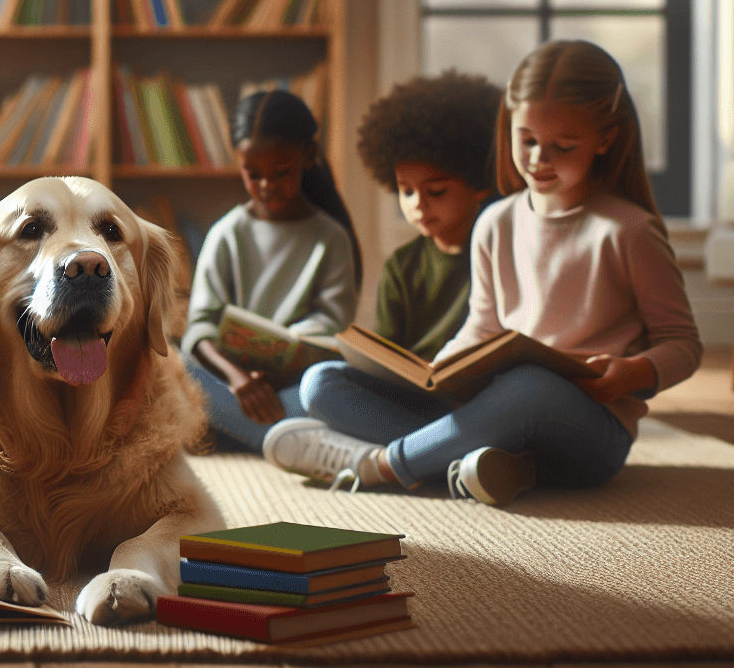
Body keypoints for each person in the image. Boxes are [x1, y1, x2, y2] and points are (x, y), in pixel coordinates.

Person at [266, 41, 701, 506]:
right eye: (527, 140)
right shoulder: (495, 222)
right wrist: (437, 372)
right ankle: (491, 465)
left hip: (591, 431)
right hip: (493, 409)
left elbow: (682, 344)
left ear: (605, 139)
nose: (539, 158)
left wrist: (631, 373)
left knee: (530, 385)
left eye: (563, 146)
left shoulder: (629, 231)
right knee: (323, 382)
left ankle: (382, 465)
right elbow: (482, 326)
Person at [296, 72, 499, 415]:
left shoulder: (500, 252)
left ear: (479, 183)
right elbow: (385, 358)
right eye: (406, 191)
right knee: (320, 381)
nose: (418, 205)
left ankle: (402, 442)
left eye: (436, 191)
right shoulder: (402, 265)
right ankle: (428, 441)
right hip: (414, 397)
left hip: (479, 399)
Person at [181, 88, 361, 452]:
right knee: (175, 370)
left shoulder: (331, 238)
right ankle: (293, 442)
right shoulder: (227, 234)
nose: (266, 186)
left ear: (307, 156)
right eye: (253, 174)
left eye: (281, 173)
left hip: (296, 381)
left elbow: (333, 324)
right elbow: (199, 327)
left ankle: (250, 434)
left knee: (326, 387)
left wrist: (283, 361)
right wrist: (239, 379)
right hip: (233, 381)